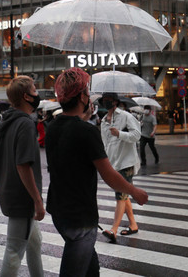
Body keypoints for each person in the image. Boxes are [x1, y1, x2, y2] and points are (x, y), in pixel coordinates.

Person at [45, 68, 148, 277]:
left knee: (90, 269)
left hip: (58, 209)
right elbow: (109, 175)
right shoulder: (87, 131)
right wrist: (134, 191)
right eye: (87, 92)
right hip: (80, 216)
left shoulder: (53, 127)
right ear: (82, 97)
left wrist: (82, 119)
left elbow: (70, 144)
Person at [0, 75, 45, 277]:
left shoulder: (3, 124)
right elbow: (23, 166)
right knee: (14, 251)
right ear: (26, 96)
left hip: (10, 196)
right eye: (35, 90)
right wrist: (37, 200)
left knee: (34, 243)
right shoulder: (25, 124)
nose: (37, 94)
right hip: (22, 198)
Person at [100, 92, 142, 244]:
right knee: (124, 195)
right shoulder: (104, 121)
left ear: (115, 102)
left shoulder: (126, 116)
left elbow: (137, 135)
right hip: (114, 164)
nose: (106, 103)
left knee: (121, 195)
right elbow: (105, 144)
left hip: (126, 162)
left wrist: (120, 134)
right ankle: (133, 224)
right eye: (103, 100)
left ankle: (114, 230)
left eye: (108, 100)